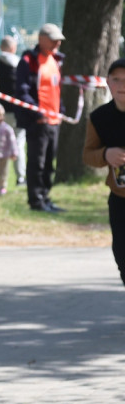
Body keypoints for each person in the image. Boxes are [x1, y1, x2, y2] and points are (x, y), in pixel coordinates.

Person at [83, 57, 125, 288]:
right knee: (122, 257)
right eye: (116, 80)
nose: (121, 86)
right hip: (120, 198)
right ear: (108, 83)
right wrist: (106, 154)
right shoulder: (99, 118)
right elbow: (88, 154)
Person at [15, 23, 66, 213]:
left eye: (59, 40)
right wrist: (38, 113)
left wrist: (60, 110)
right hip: (38, 122)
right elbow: (22, 91)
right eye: (53, 39)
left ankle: (45, 197)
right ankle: (35, 200)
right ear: (42, 39)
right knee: (37, 162)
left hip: (54, 122)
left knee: (49, 163)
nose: (57, 43)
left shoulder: (56, 60)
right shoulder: (28, 61)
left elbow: (56, 90)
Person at [0, 35, 26, 184]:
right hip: (16, 112)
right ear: (13, 48)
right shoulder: (20, 65)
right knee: (18, 143)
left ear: (1, 48)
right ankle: (20, 177)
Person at [0, 104, 17, 196]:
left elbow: (12, 141)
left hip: (4, 155)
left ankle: (2, 187)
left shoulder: (7, 128)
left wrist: (14, 152)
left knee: (3, 173)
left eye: (1, 114)